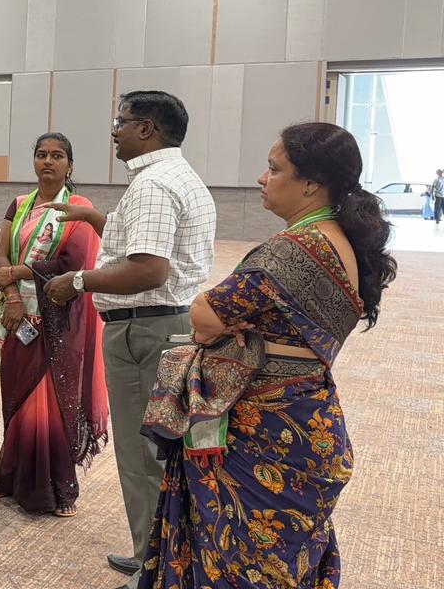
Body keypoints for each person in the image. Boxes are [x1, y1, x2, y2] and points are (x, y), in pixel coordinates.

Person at [137, 123, 396, 588]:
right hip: (308, 418)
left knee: (238, 559)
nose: (262, 177)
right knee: (283, 562)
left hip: (264, 432)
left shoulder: (293, 250)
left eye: (274, 169)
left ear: (311, 184)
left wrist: (229, 325)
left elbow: (204, 314)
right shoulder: (342, 241)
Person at [44, 91, 216, 589]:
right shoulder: (176, 176)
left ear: (146, 129)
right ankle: (155, 553)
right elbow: (142, 244)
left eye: (119, 122)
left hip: (146, 329)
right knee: (158, 455)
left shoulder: (154, 185)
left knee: (143, 458)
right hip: (164, 322)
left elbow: (148, 269)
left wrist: (77, 281)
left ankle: (154, 569)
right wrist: (95, 220)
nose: (114, 132)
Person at [0, 133, 108, 517]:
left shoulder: (80, 209)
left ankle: (56, 488)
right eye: (41, 155)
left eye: (57, 156)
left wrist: (18, 271)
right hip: (17, 316)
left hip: (59, 319)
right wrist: (13, 296)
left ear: (70, 165)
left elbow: (73, 266)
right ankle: (10, 478)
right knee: (17, 398)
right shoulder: (20, 205)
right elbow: (0, 255)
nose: (48, 161)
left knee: (52, 403)